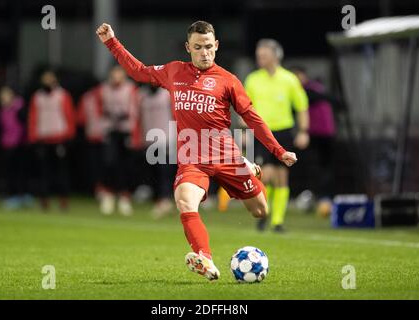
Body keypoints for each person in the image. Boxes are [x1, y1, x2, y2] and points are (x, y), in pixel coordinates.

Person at [96, 21, 297, 281]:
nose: (205, 52)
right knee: (185, 203)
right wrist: (112, 42)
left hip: (226, 156)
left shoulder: (228, 80)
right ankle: (206, 259)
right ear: (188, 48)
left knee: (260, 211)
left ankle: (250, 168)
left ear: (217, 46)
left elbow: (253, 118)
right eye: (198, 47)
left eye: (209, 47)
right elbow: (138, 72)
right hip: (192, 158)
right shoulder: (174, 71)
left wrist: (278, 151)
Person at [244, 39, 309, 233]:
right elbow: (245, 108)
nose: (259, 58)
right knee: (266, 175)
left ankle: (277, 222)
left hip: (284, 132)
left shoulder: (289, 79)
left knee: (282, 177)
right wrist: (244, 130)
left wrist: (303, 131)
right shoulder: (253, 79)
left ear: (275, 56)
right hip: (261, 132)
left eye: (263, 55)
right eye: (258, 55)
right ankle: (265, 211)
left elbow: (302, 107)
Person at [93, 66, 141, 216]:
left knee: (126, 165)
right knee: (109, 163)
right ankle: (108, 195)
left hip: (125, 131)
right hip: (110, 131)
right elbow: (99, 109)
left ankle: (124, 197)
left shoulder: (131, 89)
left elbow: (135, 111)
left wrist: (132, 131)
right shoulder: (103, 89)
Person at [28, 70, 76, 211]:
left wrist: (69, 136)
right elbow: (33, 118)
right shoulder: (37, 97)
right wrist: (33, 137)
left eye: (50, 79)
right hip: (43, 139)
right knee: (44, 173)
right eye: (45, 79)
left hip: (59, 139)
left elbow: (69, 116)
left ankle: (64, 200)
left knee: (62, 172)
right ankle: (44, 200)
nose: (47, 82)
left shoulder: (62, 95)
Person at [291, 66, 336, 201]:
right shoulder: (314, 89)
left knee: (322, 166)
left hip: (321, 134)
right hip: (315, 134)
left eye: (297, 76)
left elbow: (317, 98)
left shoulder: (310, 90)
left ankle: (323, 196)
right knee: (314, 167)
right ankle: (316, 195)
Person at [139, 84, 177, 218]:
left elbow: (176, 114)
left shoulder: (166, 94)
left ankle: (165, 199)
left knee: (164, 170)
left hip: (166, 138)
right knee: (153, 171)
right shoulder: (142, 95)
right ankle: (159, 199)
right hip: (149, 138)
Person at [0, 86, 31, 210]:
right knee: (10, 171)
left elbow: (24, 125)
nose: (3, 98)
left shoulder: (19, 107)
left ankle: (22, 196)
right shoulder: (2, 110)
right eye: (1, 97)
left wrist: (23, 140)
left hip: (20, 144)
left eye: (6, 95)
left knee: (21, 171)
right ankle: (13, 196)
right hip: (7, 144)